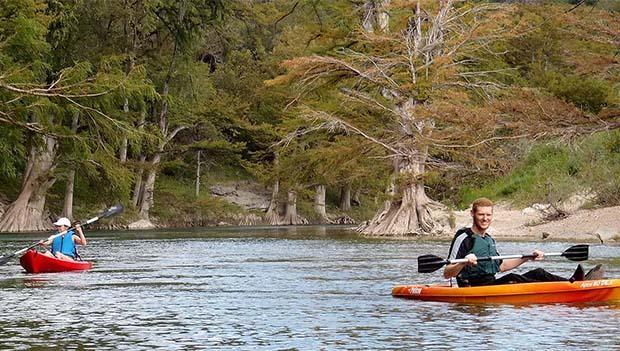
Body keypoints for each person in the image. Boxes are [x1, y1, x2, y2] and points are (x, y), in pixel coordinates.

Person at [443, 197, 604, 287]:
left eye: (488, 215)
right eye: (481, 215)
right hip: (472, 287)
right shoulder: (463, 237)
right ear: (472, 214)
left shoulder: (489, 239)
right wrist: (463, 263)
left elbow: (501, 266)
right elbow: (447, 273)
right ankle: (568, 287)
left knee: (539, 272)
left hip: (491, 283)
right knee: (513, 278)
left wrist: (527, 257)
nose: (485, 218)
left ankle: (573, 284)